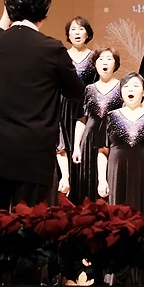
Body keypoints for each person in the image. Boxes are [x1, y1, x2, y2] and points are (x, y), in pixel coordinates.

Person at [0, 0, 82, 209]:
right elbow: (76, 92)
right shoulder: (52, 49)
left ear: (8, 7)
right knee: (28, 226)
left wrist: (6, 14)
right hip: (33, 155)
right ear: (45, 10)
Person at [98, 72, 144, 217]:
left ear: (143, 92)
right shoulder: (110, 117)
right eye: (126, 86)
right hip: (117, 175)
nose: (130, 89)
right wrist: (102, 180)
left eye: (135, 86)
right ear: (120, 92)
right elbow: (103, 152)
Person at [70, 48, 123, 205]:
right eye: (100, 59)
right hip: (90, 140)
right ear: (95, 64)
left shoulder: (122, 87)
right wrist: (77, 146)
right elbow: (82, 119)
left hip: (112, 141)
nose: (104, 62)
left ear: (116, 64)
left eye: (109, 59)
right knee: (88, 183)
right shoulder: (88, 89)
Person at [61, 16, 99, 183]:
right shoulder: (61, 56)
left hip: (86, 110)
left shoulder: (95, 57)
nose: (77, 33)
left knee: (84, 149)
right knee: (63, 147)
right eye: (73, 30)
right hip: (63, 109)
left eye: (81, 29)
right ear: (68, 35)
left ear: (88, 34)